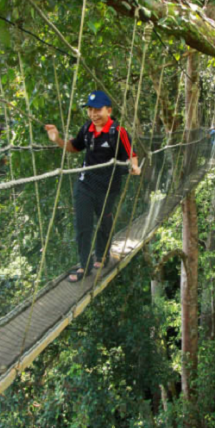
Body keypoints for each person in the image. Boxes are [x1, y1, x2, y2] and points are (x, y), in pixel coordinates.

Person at [45, 90, 141, 283]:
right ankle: (84, 266)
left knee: (104, 221)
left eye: (98, 110)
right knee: (83, 224)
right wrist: (57, 139)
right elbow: (74, 147)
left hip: (107, 187)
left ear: (109, 110)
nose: (93, 114)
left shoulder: (118, 131)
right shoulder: (87, 128)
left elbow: (132, 155)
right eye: (90, 110)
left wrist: (134, 167)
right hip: (86, 183)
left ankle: (102, 254)